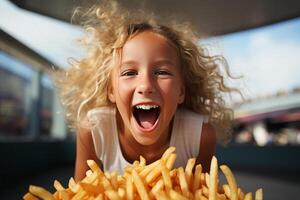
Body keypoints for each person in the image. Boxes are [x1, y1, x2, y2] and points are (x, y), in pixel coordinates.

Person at [55, 0, 238, 181]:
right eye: (129, 72)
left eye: (162, 72)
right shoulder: (94, 130)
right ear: (110, 90)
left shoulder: (200, 136)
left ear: (181, 91)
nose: (146, 85)